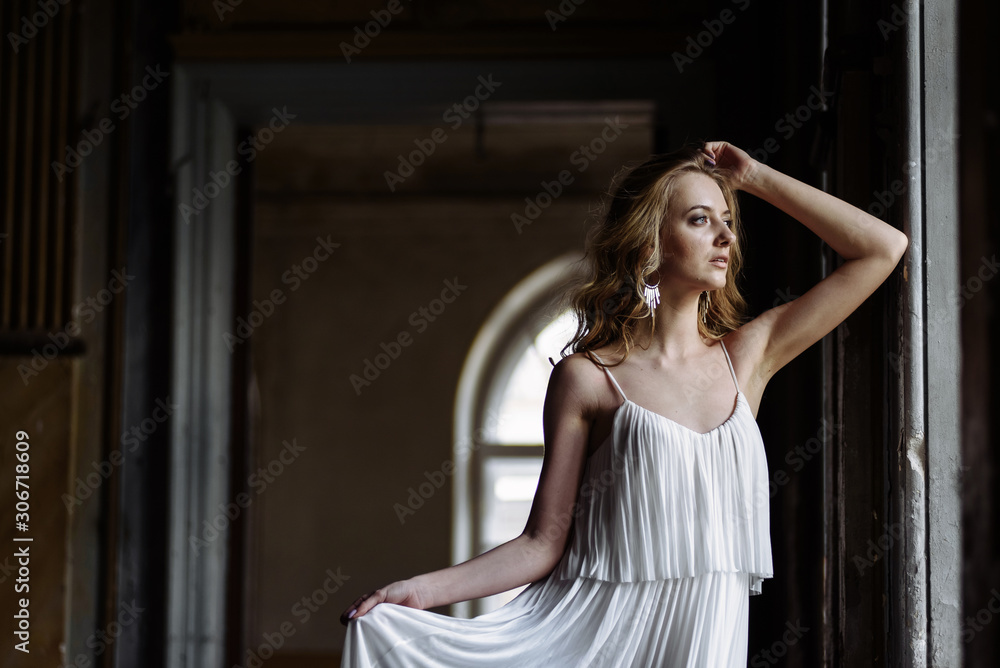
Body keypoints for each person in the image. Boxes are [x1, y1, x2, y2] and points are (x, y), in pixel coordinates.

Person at [339, 141, 908, 666]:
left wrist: (755, 177)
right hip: (597, 644)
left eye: (728, 222)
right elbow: (542, 542)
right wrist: (420, 591)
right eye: (699, 220)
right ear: (650, 242)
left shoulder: (749, 358)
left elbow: (881, 249)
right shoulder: (587, 379)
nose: (725, 238)